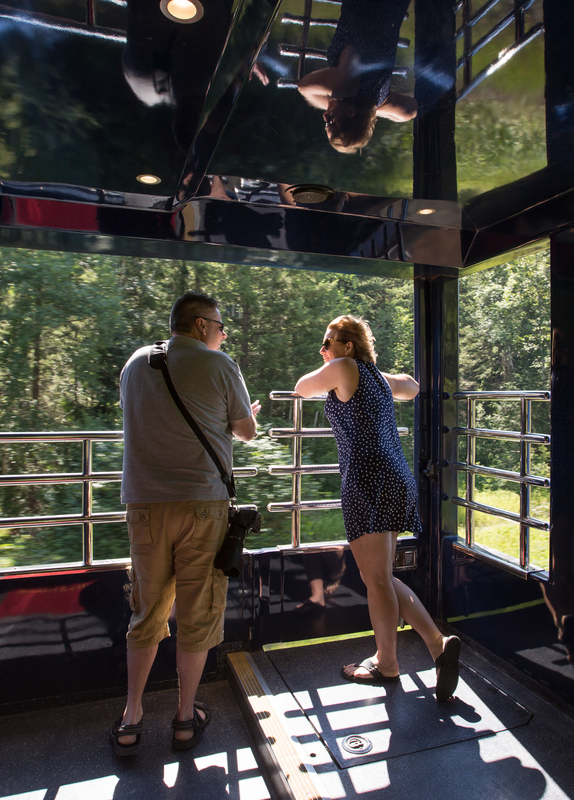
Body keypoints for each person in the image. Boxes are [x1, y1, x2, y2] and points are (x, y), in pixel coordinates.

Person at [112, 292, 261, 755]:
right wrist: (246, 415)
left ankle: (132, 716)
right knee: (198, 610)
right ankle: (183, 717)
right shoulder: (220, 365)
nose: (222, 334)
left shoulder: (136, 363)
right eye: (220, 326)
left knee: (147, 610)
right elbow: (244, 431)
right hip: (202, 505)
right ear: (200, 325)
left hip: (144, 505)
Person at [294, 315, 461, 699]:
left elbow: (302, 387)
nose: (323, 349)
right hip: (395, 475)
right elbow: (413, 387)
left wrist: (330, 364)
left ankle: (390, 663)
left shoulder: (343, 367)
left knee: (378, 580)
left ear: (348, 346)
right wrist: (377, 372)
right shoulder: (376, 377)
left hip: (366, 478)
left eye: (328, 341)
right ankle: (436, 646)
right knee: (381, 577)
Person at [296, 0, 417, 153]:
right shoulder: (341, 85)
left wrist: (367, 111)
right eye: (330, 123)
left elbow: (409, 110)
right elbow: (303, 87)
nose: (325, 117)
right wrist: (336, 97)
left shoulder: (378, 98)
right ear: (350, 113)